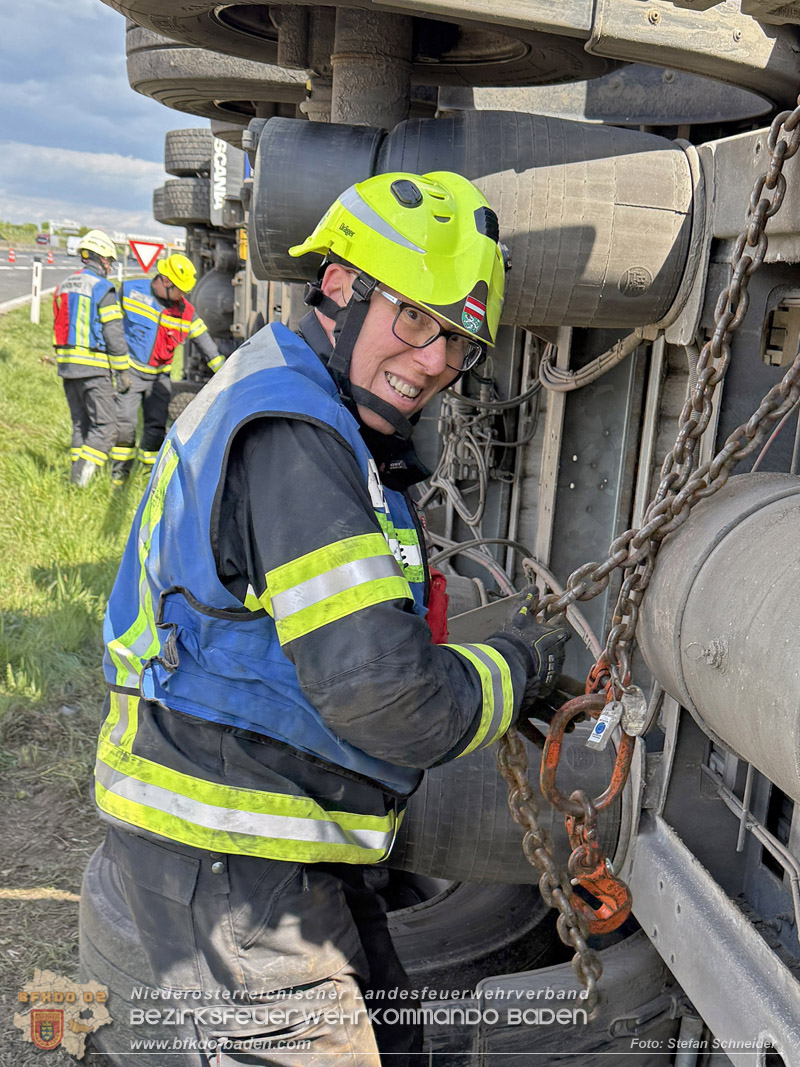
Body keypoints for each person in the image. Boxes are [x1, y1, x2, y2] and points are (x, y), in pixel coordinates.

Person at [91, 172, 567, 1064]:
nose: (434, 361)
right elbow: (396, 705)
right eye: (417, 318)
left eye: (459, 341)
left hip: (271, 839)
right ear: (342, 286)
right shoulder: (298, 435)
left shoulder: (301, 395)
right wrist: (522, 667)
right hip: (229, 854)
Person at [110, 252, 225, 485]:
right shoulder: (130, 290)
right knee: (126, 426)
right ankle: (119, 477)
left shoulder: (186, 312)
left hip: (159, 378)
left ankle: (146, 479)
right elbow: (108, 325)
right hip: (129, 374)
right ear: (165, 281)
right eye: (179, 290)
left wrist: (225, 374)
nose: (182, 296)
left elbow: (206, 346)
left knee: (155, 428)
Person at [52, 229, 130, 487]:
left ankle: (74, 480)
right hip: (94, 368)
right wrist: (123, 372)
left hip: (67, 368)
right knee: (106, 429)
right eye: (109, 261)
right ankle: (80, 484)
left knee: (80, 426)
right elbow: (114, 333)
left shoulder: (64, 285)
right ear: (103, 260)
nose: (109, 266)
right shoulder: (103, 288)